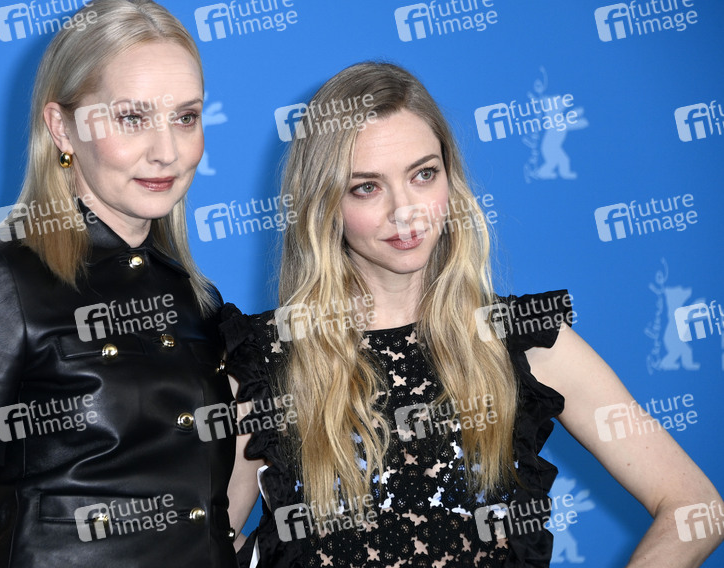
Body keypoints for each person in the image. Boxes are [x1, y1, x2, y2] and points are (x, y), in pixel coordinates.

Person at [216, 62, 724, 567]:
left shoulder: (522, 339)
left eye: (423, 175)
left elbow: (696, 507)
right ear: (323, 204)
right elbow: (212, 544)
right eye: (366, 186)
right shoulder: (265, 361)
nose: (405, 210)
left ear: (450, 179)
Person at [0, 0, 241, 568]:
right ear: (62, 127)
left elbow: (211, 519)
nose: (167, 151)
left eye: (186, 117)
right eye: (132, 118)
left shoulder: (198, 302)